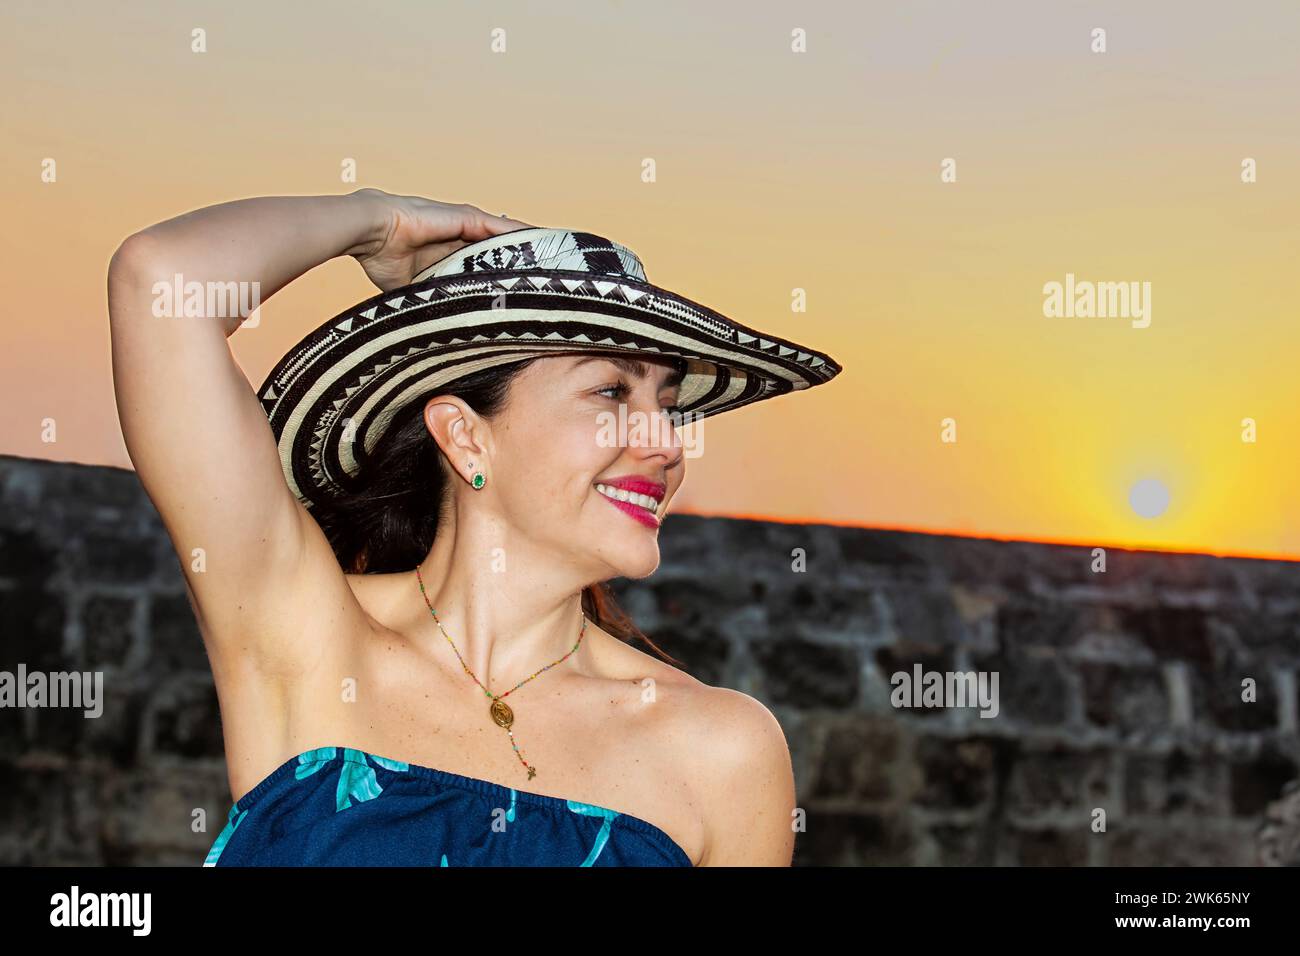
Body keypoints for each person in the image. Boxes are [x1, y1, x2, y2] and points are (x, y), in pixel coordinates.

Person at [106, 188, 841, 866]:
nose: (668, 443)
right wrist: (378, 224)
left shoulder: (722, 751)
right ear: (465, 437)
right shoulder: (310, 638)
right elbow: (159, 280)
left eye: (668, 403)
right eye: (612, 389)